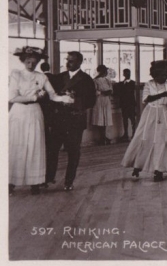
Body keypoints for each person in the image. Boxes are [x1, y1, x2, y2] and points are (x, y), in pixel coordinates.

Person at [8, 47, 74, 196]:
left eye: (34, 62)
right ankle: (10, 183)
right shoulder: (16, 74)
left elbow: (52, 95)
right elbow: (11, 97)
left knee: (34, 146)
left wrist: (65, 98)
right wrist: (34, 98)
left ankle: (35, 182)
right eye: (28, 61)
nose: (31, 65)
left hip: (34, 114)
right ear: (23, 61)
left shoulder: (41, 77)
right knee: (16, 146)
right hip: (19, 113)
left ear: (38, 62)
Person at [122, 61, 167, 182]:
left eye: (166, 75)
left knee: (161, 141)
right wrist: (163, 94)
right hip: (150, 113)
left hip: (163, 113)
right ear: (155, 75)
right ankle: (138, 165)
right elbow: (146, 99)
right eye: (162, 75)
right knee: (144, 138)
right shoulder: (149, 84)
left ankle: (159, 170)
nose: (164, 77)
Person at [46, 51, 96, 191]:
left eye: (72, 61)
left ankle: (69, 181)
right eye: (67, 60)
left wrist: (74, 101)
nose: (68, 63)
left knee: (73, 152)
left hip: (75, 120)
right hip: (58, 120)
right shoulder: (59, 77)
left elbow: (91, 101)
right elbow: (51, 97)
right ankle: (49, 178)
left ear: (80, 62)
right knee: (52, 150)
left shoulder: (86, 79)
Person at [91, 65, 113, 145]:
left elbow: (110, 91)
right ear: (101, 71)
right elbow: (95, 92)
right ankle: (102, 137)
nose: (106, 72)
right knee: (99, 118)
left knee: (105, 118)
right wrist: (103, 92)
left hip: (106, 100)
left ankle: (104, 136)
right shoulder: (95, 80)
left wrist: (104, 92)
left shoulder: (107, 80)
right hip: (99, 101)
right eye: (105, 71)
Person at [118, 68, 137, 142]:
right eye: (125, 73)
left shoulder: (132, 83)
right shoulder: (122, 83)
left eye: (128, 73)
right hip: (124, 104)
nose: (127, 75)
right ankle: (126, 133)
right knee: (125, 119)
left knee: (132, 119)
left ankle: (134, 133)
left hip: (131, 103)